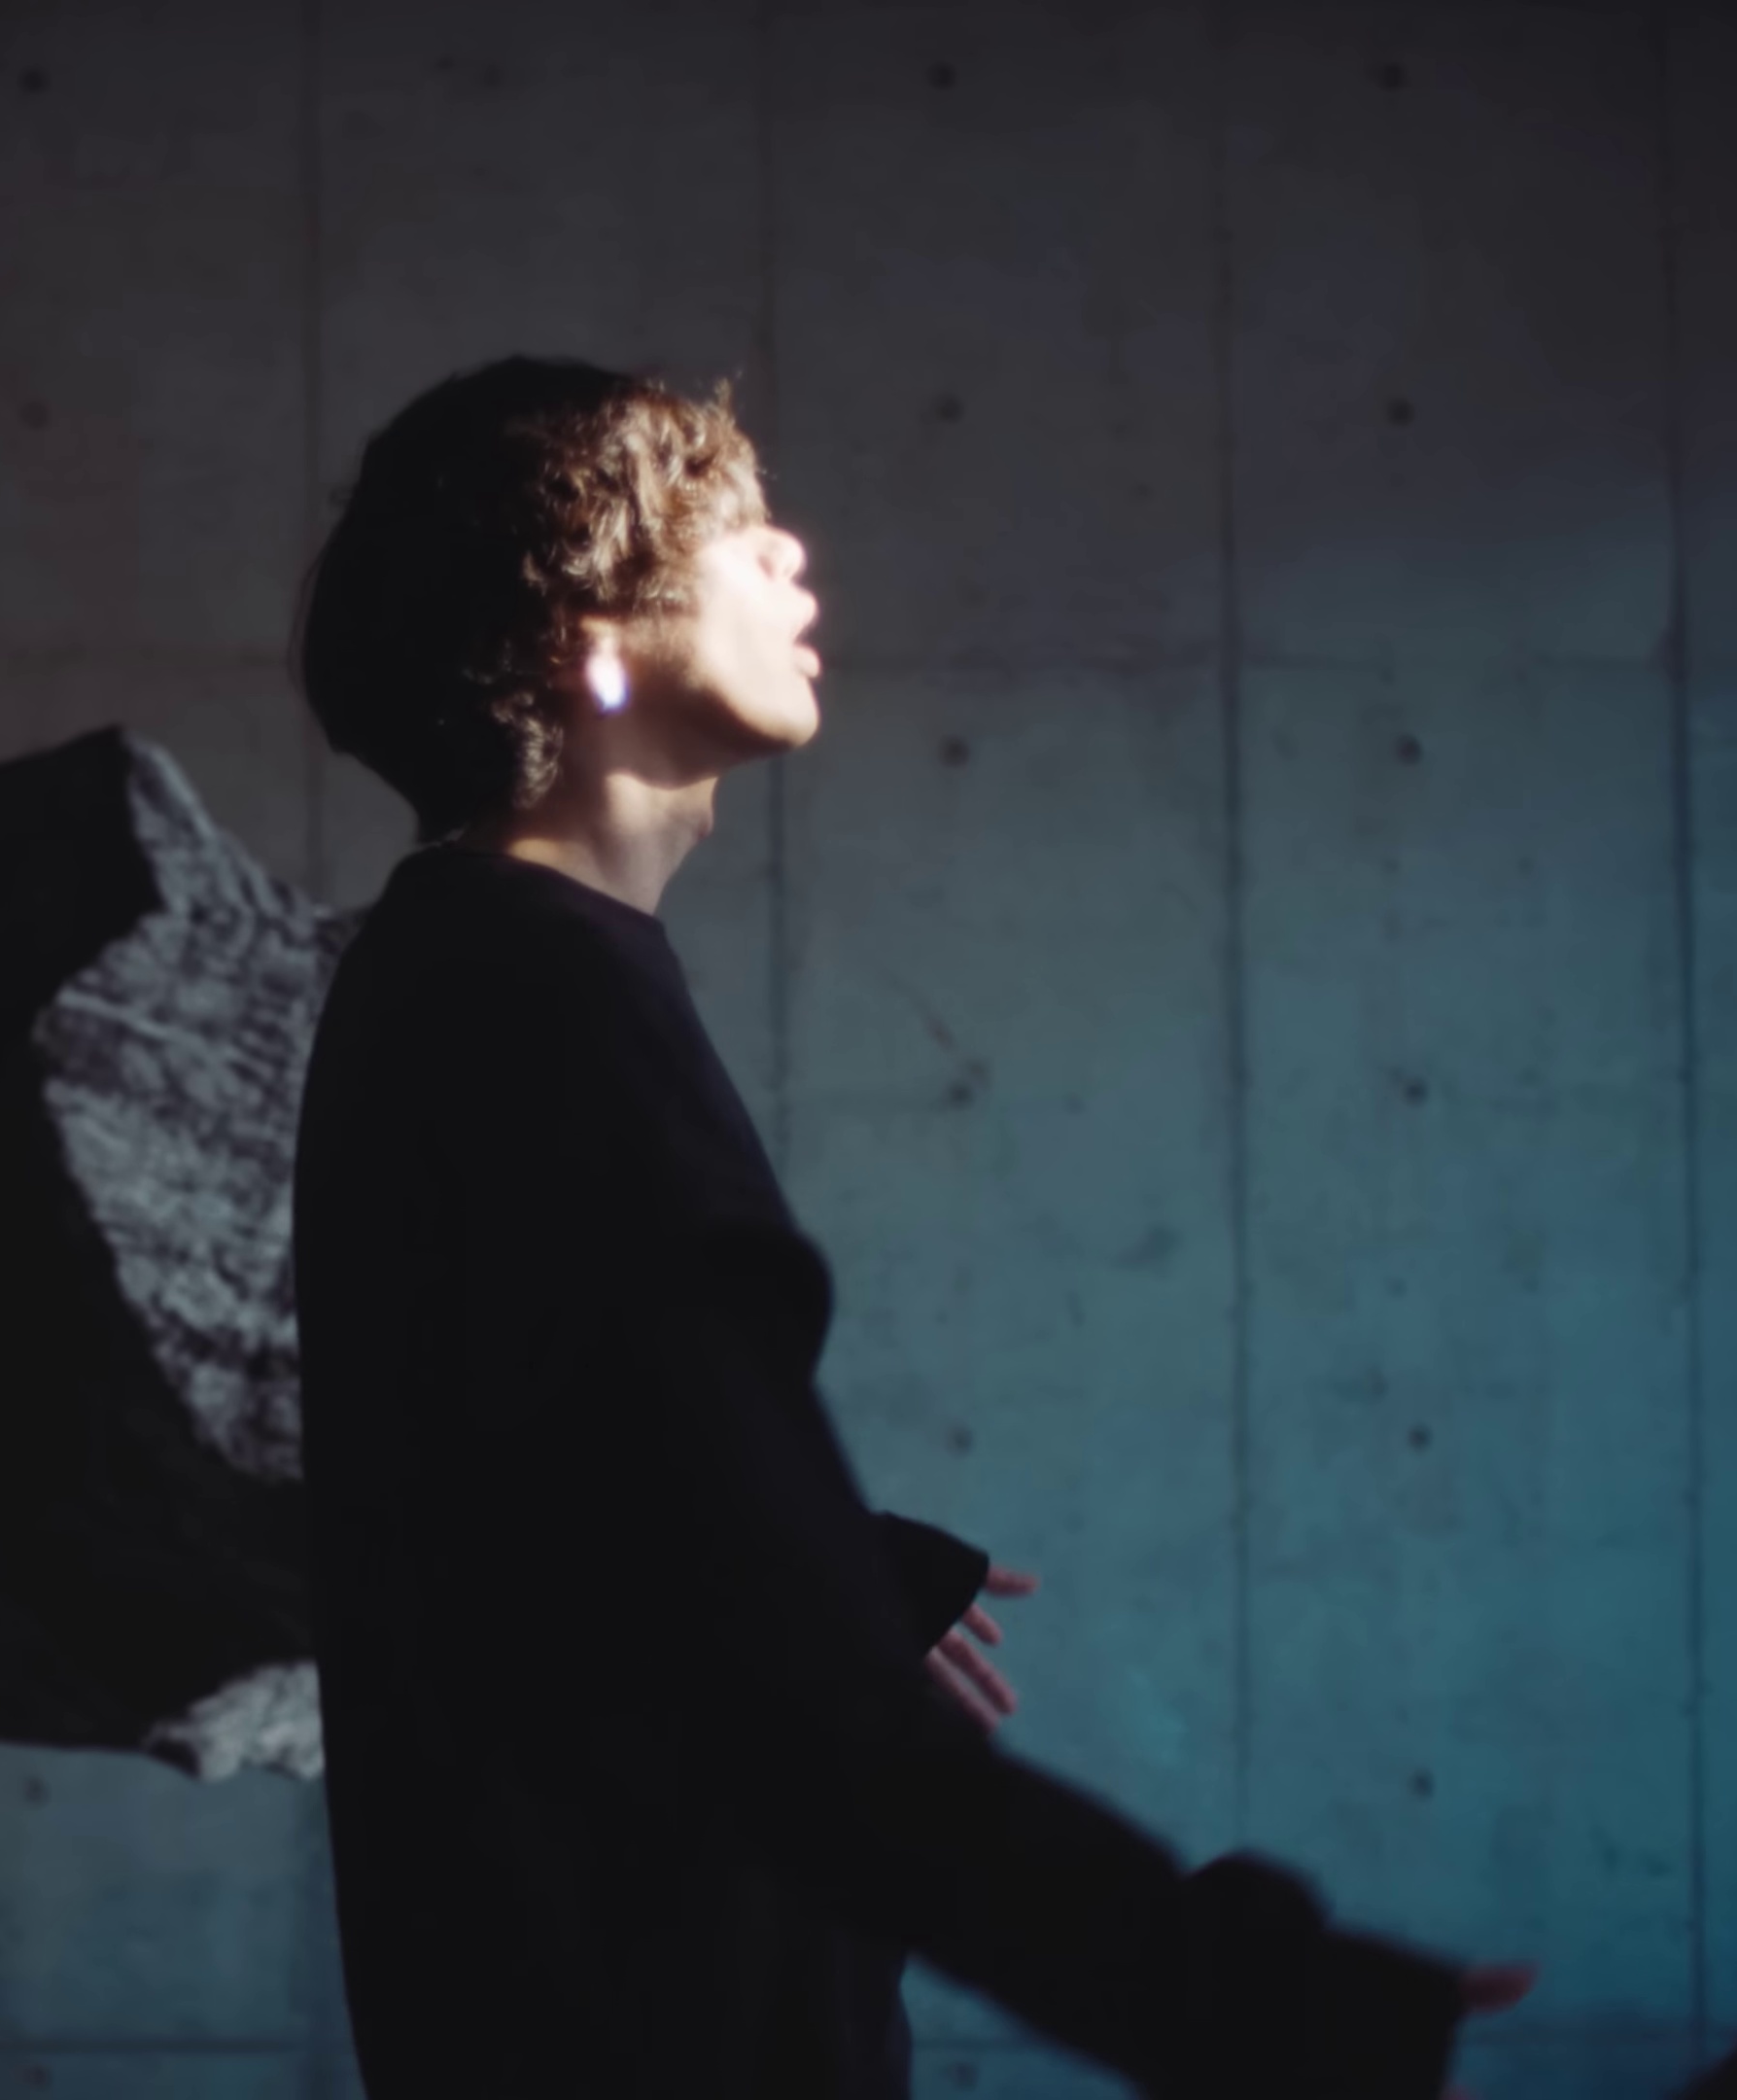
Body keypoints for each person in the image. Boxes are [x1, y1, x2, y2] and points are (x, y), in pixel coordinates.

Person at [288, 357, 1534, 2100]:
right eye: (727, 523)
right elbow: (797, 1720)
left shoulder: (467, 973)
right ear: (585, 637)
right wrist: (1255, 2003)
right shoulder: (534, 998)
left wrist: (823, 1564)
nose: (790, 552)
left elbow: (522, 1516)